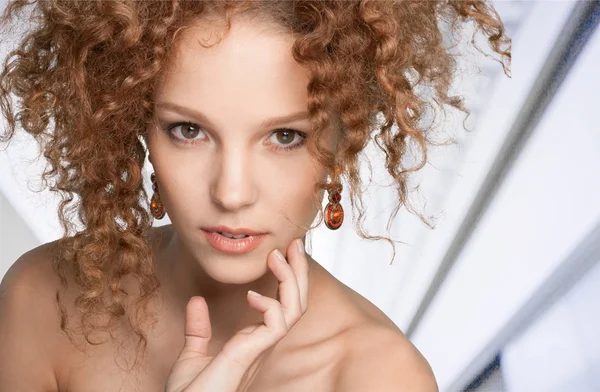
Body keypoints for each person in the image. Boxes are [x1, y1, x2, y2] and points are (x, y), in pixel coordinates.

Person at [0, 0, 510, 391]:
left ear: (343, 143)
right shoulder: (44, 298)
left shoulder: (375, 375)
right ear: (138, 126)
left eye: (285, 137)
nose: (232, 191)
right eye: (188, 130)